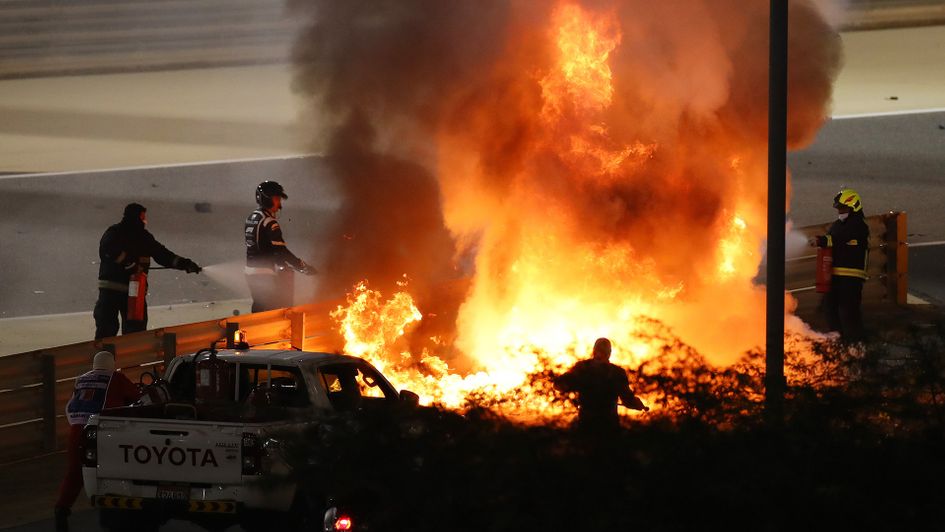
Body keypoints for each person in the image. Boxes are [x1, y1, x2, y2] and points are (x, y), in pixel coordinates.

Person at [54, 351, 140, 532]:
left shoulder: (81, 379)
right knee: (112, 470)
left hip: (77, 430)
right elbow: (136, 395)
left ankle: (61, 510)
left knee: (74, 472)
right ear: (112, 364)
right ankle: (113, 516)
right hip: (102, 430)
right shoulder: (116, 378)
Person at [94, 203, 202, 339]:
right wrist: (130, 265)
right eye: (143, 217)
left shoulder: (142, 237)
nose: (145, 221)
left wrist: (186, 264)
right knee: (118, 329)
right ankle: (112, 352)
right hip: (117, 290)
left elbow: (163, 255)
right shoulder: (117, 233)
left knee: (127, 330)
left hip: (131, 291)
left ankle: (113, 351)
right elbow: (108, 249)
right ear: (137, 217)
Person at [809, 188, 870, 342]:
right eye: (839, 209)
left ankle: (857, 344)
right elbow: (833, 237)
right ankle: (838, 341)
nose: (840, 212)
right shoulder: (838, 225)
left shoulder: (859, 226)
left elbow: (839, 239)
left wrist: (821, 240)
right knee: (829, 309)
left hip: (852, 276)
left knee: (848, 311)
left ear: (853, 207)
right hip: (835, 274)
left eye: (843, 208)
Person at [244, 181, 315, 312]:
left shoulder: (252, 217)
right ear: (266, 199)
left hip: (250, 271)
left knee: (259, 307)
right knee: (272, 311)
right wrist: (302, 266)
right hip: (264, 273)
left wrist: (281, 262)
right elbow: (281, 250)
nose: (279, 204)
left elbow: (263, 246)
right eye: (277, 199)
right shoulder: (269, 222)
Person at [556, 338, 648, 433]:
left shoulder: (582, 367)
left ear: (594, 351)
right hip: (607, 426)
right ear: (609, 353)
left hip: (588, 425)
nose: (600, 354)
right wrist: (637, 404)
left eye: (602, 351)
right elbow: (628, 399)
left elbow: (559, 384)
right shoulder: (617, 372)